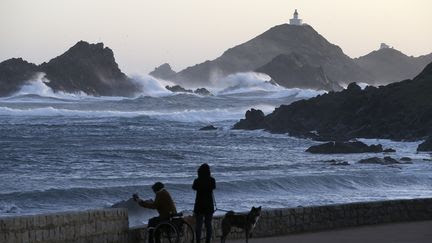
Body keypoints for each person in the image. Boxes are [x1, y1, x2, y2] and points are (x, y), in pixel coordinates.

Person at [192, 163, 216, 243]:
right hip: (209, 205)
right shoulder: (212, 180)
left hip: (199, 205)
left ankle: (198, 241)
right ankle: (207, 241)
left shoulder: (197, 180)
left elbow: (193, 187)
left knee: (199, 224)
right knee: (208, 224)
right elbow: (213, 187)